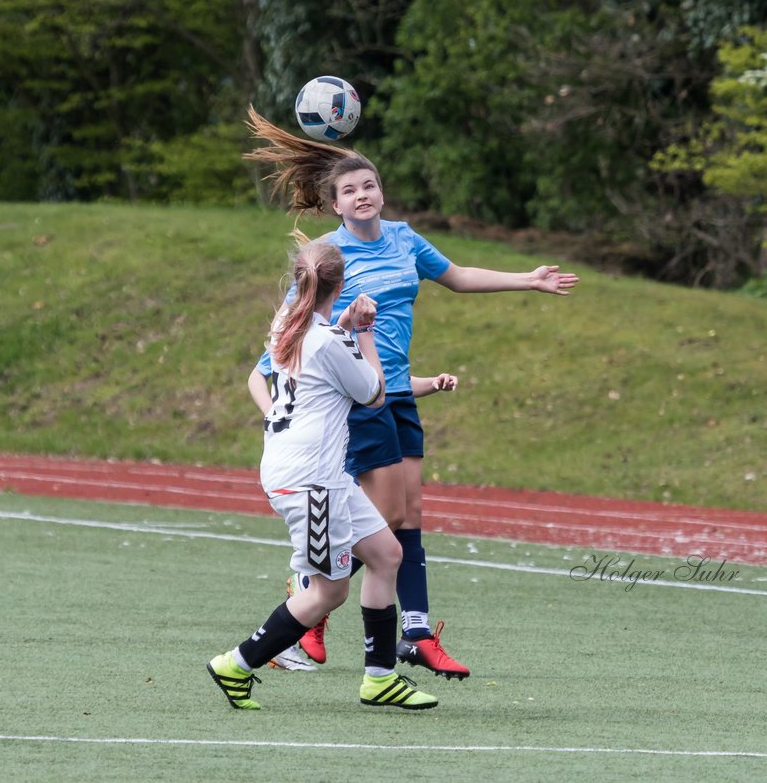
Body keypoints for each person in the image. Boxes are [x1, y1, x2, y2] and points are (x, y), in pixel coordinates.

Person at [243, 106, 580, 680]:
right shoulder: (324, 255)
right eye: (350, 190)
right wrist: (276, 410)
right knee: (386, 519)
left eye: (370, 184)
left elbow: (457, 275)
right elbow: (276, 350)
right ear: (334, 205)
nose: (363, 194)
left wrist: (527, 279)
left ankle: (414, 632)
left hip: (397, 392)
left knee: (409, 515)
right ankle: (310, 613)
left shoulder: (404, 240)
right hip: (356, 400)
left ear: (382, 191)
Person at [207, 239, 440, 711]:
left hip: (316, 472)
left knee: (386, 554)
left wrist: (345, 324)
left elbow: (320, 345)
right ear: (342, 283)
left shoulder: (288, 324)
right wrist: (366, 331)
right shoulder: (329, 339)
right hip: (310, 479)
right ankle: (236, 664)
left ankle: (379, 679)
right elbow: (374, 393)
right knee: (329, 591)